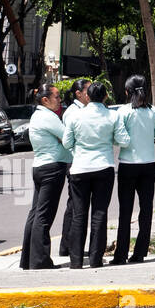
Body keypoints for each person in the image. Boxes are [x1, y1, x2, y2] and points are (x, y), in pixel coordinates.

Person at [110, 75, 155, 265]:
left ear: (127, 92)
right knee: (146, 210)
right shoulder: (154, 112)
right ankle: (140, 253)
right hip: (148, 167)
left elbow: (119, 138)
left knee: (125, 212)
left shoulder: (123, 111)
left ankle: (120, 255)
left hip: (127, 165)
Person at [62, 81, 118, 269]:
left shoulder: (75, 116)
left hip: (79, 169)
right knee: (99, 214)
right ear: (105, 97)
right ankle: (95, 260)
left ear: (87, 96)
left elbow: (66, 143)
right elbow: (121, 140)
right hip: (104, 167)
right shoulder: (112, 115)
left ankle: (75, 261)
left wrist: (80, 147)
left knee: (79, 215)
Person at [19, 84, 71, 270]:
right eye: (56, 97)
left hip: (41, 167)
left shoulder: (37, 115)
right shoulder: (48, 117)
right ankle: (40, 261)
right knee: (44, 215)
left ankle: (28, 259)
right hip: (52, 168)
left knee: (36, 213)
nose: (59, 100)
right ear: (45, 100)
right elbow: (67, 137)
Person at [57, 78, 91, 259]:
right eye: (88, 90)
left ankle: (68, 245)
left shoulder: (84, 110)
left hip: (79, 161)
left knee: (76, 204)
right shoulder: (72, 112)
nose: (90, 94)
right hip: (74, 161)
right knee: (75, 205)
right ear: (78, 94)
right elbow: (68, 140)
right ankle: (67, 246)